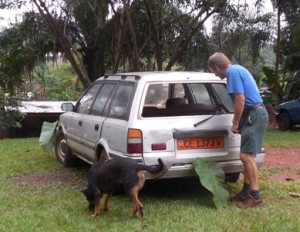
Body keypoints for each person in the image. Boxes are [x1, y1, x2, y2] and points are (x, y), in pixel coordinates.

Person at [207, 52, 269, 208]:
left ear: (216, 67)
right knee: (248, 156)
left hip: (254, 114)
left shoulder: (232, 72)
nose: (214, 75)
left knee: (246, 156)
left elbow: (240, 99)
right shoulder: (238, 69)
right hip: (255, 114)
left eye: (213, 71)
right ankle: (246, 193)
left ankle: (255, 197)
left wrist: (235, 123)